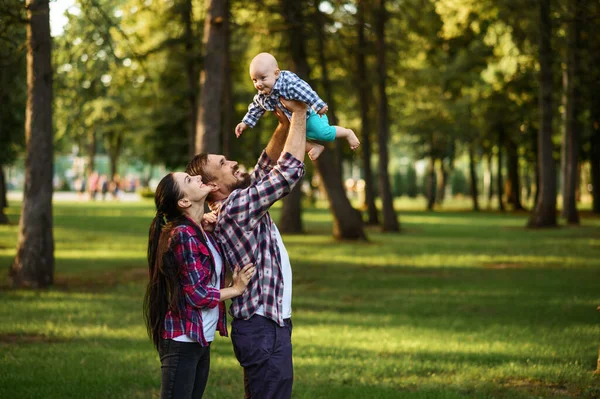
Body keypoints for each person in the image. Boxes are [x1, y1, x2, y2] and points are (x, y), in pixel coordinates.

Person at [186, 98, 307, 399]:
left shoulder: (237, 201)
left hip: (263, 325)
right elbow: (286, 173)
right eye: (224, 164)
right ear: (213, 186)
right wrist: (300, 114)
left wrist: (283, 126)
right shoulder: (237, 207)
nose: (233, 163)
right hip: (263, 326)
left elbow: (265, 167)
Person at [143, 171, 256, 399]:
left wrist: (208, 227)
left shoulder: (199, 233)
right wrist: (236, 289)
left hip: (200, 338)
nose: (196, 178)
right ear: (184, 201)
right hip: (182, 341)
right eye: (188, 180)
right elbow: (198, 294)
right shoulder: (183, 235)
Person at [235, 52, 360, 160]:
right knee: (290, 142)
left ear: (276, 73)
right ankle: (315, 147)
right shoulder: (263, 94)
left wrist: (318, 105)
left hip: (312, 115)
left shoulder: (287, 83)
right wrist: (245, 123)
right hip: (295, 123)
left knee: (323, 133)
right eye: (254, 80)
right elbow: (256, 108)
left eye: (263, 78)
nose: (259, 84)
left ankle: (347, 133)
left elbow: (305, 91)